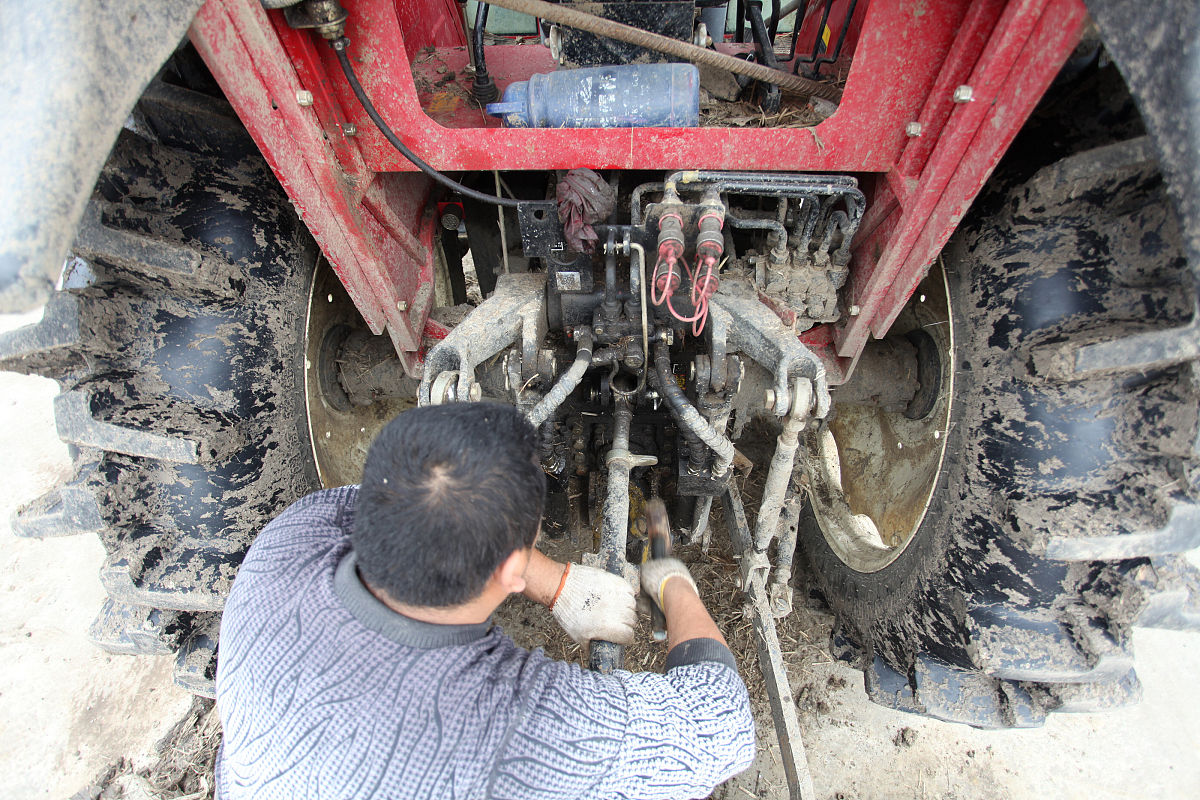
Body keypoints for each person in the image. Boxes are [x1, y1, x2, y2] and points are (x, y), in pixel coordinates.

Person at [214, 402, 755, 799]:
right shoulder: (514, 730)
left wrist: (556, 582)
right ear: (509, 569)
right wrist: (672, 581)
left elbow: (383, 505)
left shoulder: (286, 542)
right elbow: (720, 725)